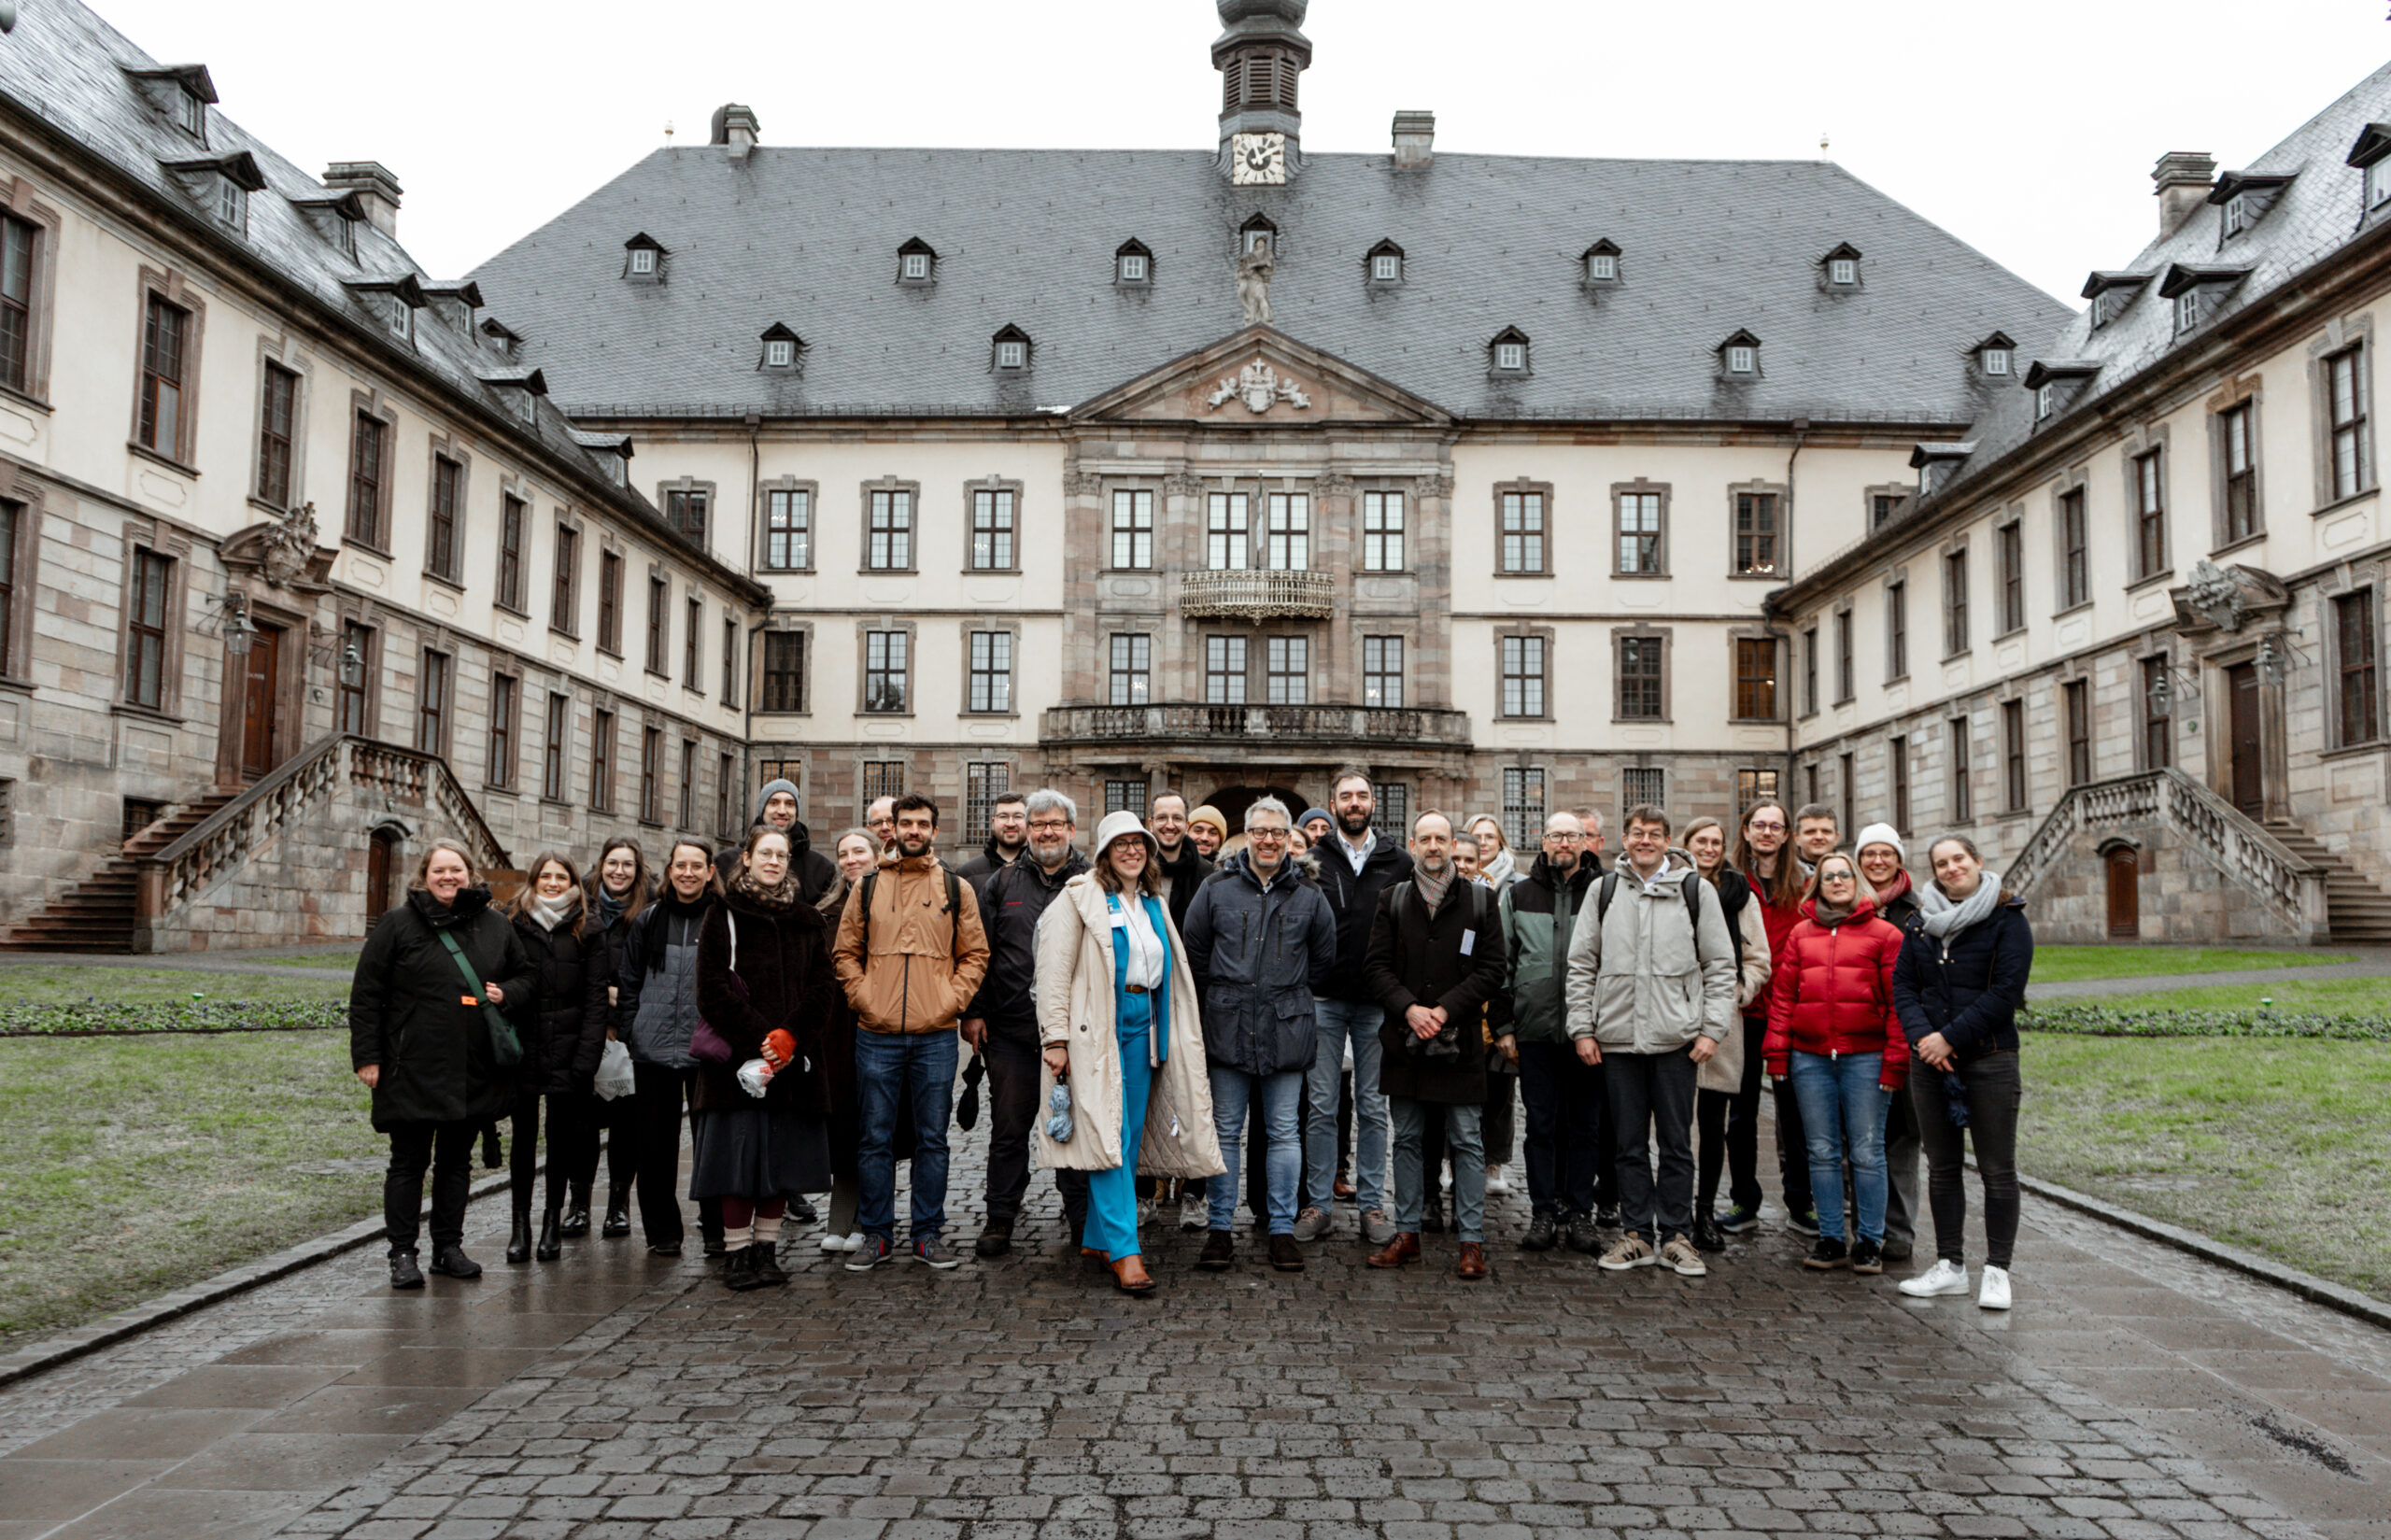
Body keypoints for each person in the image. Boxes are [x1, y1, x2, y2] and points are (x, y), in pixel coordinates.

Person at [1034, 812, 1224, 1293]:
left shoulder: (1151, 902)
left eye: (1138, 843)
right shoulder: (1078, 898)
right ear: (1103, 852)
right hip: (1094, 1033)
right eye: (1121, 845)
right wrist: (1055, 1040)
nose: (1132, 851)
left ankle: (1097, 1238)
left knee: (1130, 1136)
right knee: (1108, 1136)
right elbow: (1052, 974)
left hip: (1144, 1029)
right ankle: (1125, 1249)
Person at [1565, 805, 1736, 1278]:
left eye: (1654, 834)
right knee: (1628, 1145)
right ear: (1624, 838)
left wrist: (1711, 1030)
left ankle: (1677, 1236)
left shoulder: (1695, 891)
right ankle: (1638, 1234)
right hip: (1618, 1039)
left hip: (1678, 1040)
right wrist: (1582, 1027)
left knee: (1678, 1144)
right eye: (1637, 833)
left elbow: (1721, 967)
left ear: (1667, 840)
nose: (1645, 841)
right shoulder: (1604, 891)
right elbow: (1581, 964)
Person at [350, 842, 531, 1288]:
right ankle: (402, 1253)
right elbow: (367, 994)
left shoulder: (496, 926)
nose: (448, 877)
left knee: (456, 1163)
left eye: (457, 870)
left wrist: (507, 993)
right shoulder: (397, 925)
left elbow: (526, 977)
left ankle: (447, 1248)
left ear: (469, 874)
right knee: (408, 1162)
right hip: (409, 1065)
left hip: (473, 1066)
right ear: (424, 874)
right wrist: (367, 1057)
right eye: (439, 870)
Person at [835, 793, 990, 1270]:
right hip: (876, 1033)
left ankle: (927, 1233)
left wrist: (951, 1000)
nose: (914, 831)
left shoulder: (954, 887)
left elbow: (975, 954)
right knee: (874, 1138)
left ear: (934, 831)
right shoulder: (867, 888)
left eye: (923, 824)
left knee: (932, 1139)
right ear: (894, 830)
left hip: (936, 1035)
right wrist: (866, 998)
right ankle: (876, 1235)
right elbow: (844, 954)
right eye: (906, 824)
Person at [1182, 797, 1337, 1273]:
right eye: (1259, 831)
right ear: (1245, 835)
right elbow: (1195, 953)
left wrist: (1283, 992)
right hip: (1227, 1026)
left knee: (1284, 1132)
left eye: (1276, 832)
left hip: (1286, 1027)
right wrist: (1228, 996)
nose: (1268, 840)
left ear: (1289, 838)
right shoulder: (1215, 888)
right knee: (1226, 1131)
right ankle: (1221, 1229)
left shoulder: (1310, 895)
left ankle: (1282, 1229)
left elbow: (1324, 961)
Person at [1363, 812, 1508, 1279]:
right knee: (1406, 1139)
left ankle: (1471, 1242)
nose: (1432, 846)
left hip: (1459, 1043)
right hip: (1404, 1041)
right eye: (1423, 838)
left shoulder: (1481, 902)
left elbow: (1493, 970)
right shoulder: (1393, 899)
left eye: (1440, 838)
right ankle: (1407, 1235)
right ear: (1412, 843)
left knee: (1467, 1140)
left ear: (1454, 844)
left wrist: (1444, 1010)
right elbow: (1376, 967)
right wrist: (1409, 1008)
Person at [1892, 836, 2031, 1311]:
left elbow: (2006, 992)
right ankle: (1950, 1265)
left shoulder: (2008, 918)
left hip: (1989, 1056)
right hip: (1931, 1060)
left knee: (1997, 1168)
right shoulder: (1919, 922)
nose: (1951, 868)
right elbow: (1905, 987)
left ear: (1977, 862)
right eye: (1941, 863)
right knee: (1943, 1166)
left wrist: (1949, 1037)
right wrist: (1925, 1040)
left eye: (1959, 860)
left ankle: (1998, 1270)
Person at [694, 826, 835, 1290]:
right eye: (765, 854)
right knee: (738, 1162)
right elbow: (712, 990)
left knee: (780, 1162)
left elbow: (821, 990)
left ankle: (767, 1252)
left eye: (781, 855)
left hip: (793, 1063)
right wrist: (763, 1038)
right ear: (748, 858)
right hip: (738, 1062)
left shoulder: (808, 920)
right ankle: (737, 1255)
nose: (774, 861)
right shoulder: (723, 913)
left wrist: (791, 1037)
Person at [963, 789, 1093, 1257]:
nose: (1046, 832)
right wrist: (974, 1011)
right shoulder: (1001, 883)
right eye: (1038, 825)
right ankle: (1000, 1219)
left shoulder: (1092, 882)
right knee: (1008, 1129)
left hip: (1076, 1034)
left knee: (1071, 1129)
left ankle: (1082, 1224)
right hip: (1013, 1030)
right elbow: (980, 953)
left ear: (1071, 830)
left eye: (1055, 824)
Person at [1763, 852, 1907, 1274]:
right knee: (1821, 1151)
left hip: (1866, 1057)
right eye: (1829, 876)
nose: (1838, 881)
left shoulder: (1885, 934)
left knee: (1867, 1151)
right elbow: (1784, 997)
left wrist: (1895, 1061)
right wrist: (1777, 1053)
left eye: (1845, 874)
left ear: (1857, 881)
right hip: (1810, 1059)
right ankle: (1830, 1238)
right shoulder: (1800, 934)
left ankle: (1869, 1241)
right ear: (1818, 884)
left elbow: (1899, 1004)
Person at [1295, 768, 1414, 1246]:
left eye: (1362, 795)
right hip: (1323, 999)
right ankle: (1319, 1204)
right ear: (1334, 803)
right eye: (1346, 796)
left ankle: (1371, 1205)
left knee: (1373, 1107)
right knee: (1321, 1106)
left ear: (1372, 803)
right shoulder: (1311, 860)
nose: (1354, 803)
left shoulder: (1398, 861)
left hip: (1376, 1004)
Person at [616, 840, 727, 1257]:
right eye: (681, 865)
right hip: (654, 1051)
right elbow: (629, 980)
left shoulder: (721, 920)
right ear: (670, 869)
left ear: (710, 872)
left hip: (707, 1051)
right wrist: (632, 1029)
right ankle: (663, 1233)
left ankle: (717, 1228)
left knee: (711, 1145)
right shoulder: (648, 920)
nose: (688, 873)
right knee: (655, 1148)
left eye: (697, 866)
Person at [1501, 812, 1603, 1253]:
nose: (1564, 842)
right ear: (1542, 841)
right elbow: (1502, 964)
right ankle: (1543, 1211)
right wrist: (1504, 1027)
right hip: (1535, 1029)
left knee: (1585, 1127)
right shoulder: (1519, 894)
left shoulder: (1605, 892)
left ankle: (1580, 1212)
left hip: (1591, 1031)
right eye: (1556, 834)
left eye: (1572, 835)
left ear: (1586, 841)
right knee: (1540, 1126)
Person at [503, 854, 610, 1264]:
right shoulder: (514, 922)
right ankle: (520, 1228)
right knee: (523, 1141)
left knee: (560, 1141)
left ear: (572, 882)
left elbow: (596, 997)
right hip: (524, 1049)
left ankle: (551, 1223)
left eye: (560, 876)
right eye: (544, 876)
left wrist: (587, 1056)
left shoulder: (588, 926)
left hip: (569, 1050)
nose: (551, 882)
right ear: (533, 880)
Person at [1680, 816, 1773, 1253]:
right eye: (1702, 840)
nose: (1710, 848)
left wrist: (1740, 990)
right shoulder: (1673, 885)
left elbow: (1758, 957)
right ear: (1687, 844)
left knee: (1714, 1123)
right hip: (1673, 1012)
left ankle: (1704, 1210)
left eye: (1717, 841)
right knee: (1673, 1123)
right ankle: (1675, 1210)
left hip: (1722, 1018)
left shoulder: (1740, 893)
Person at [1732, 798, 1813, 1237]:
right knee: (1741, 1113)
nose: (1766, 832)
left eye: (1775, 826)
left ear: (1786, 836)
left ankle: (1801, 1201)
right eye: (1758, 825)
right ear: (1746, 831)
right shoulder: (1729, 882)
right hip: (1743, 1010)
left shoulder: (1804, 884)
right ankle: (1744, 1200)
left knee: (1795, 1111)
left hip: (1790, 1010)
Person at [1148, 789, 1218, 1234]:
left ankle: (1195, 1195)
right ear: (1150, 821)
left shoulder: (1210, 876)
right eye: (1162, 817)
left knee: (1194, 1103)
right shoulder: (1133, 870)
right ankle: (1143, 1194)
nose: (1170, 825)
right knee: (1144, 1100)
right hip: (1144, 1000)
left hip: (1198, 1002)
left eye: (1177, 817)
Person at [1854, 823, 1924, 1263]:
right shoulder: (1841, 906)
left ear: (1899, 859)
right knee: (1856, 1138)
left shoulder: (1919, 911)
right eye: (1869, 854)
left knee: (1901, 1135)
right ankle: (1862, 1227)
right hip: (1858, 1039)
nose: (1877, 862)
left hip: (1906, 1037)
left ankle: (1898, 1230)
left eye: (1886, 854)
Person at [812, 828, 882, 1252]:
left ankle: (868, 1218)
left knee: (876, 1124)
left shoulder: (890, 903)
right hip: (836, 1028)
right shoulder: (825, 911)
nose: (850, 859)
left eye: (859, 851)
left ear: (876, 855)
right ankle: (843, 1217)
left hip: (881, 1021)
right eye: (843, 853)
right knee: (845, 1123)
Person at [582, 837, 649, 1239]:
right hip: (585, 1032)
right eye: (612, 863)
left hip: (629, 1032)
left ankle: (619, 1206)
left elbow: (645, 978)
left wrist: (617, 999)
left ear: (637, 871)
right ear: (601, 865)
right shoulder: (581, 906)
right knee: (582, 1124)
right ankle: (578, 1205)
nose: (619, 871)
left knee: (627, 1127)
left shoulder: (648, 913)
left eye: (627, 865)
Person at [717, 778, 837, 904]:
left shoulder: (821, 868)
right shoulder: (725, 862)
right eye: (774, 803)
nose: (782, 811)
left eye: (790, 804)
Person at [956, 790, 1030, 881]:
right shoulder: (968, 874)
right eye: (1003, 816)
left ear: (1027, 822)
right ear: (993, 823)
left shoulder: (1043, 871)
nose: (1011, 824)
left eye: (1018, 816)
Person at [1466, 815, 1520, 889]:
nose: (1483, 843)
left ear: (1500, 843)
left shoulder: (1521, 883)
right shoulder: (1451, 880)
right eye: (1476, 837)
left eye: (1490, 837)